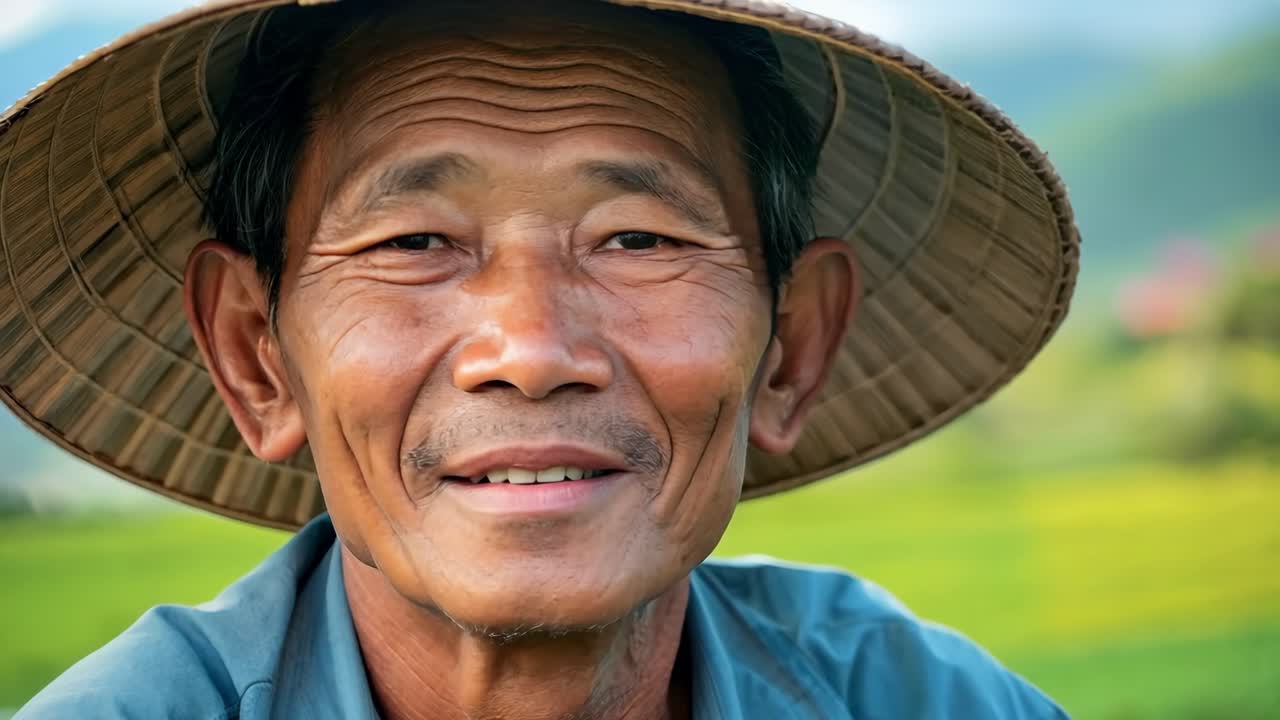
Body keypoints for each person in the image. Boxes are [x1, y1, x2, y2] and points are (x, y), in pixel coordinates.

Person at [1, 0, 1078, 717]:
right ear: (256, 356)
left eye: (639, 239)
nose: (529, 351)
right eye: (412, 241)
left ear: (790, 346)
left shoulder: (907, 697)